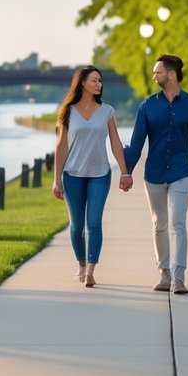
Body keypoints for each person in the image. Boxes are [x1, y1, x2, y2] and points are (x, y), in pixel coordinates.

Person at [124, 54, 188, 295]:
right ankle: (164, 273)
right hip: (154, 174)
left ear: (171, 75)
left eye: (157, 72)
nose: (154, 76)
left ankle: (179, 277)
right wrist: (126, 172)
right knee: (159, 225)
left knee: (177, 223)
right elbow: (136, 143)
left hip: (181, 172)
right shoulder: (147, 106)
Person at [51, 65, 133, 288]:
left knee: (94, 223)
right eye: (95, 80)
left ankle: (90, 270)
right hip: (73, 175)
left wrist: (125, 172)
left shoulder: (107, 111)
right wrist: (56, 180)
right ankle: (81, 263)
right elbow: (61, 147)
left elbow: (115, 142)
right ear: (83, 83)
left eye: (100, 81)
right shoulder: (67, 111)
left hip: (100, 174)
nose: (99, 84)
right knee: (77, 226)